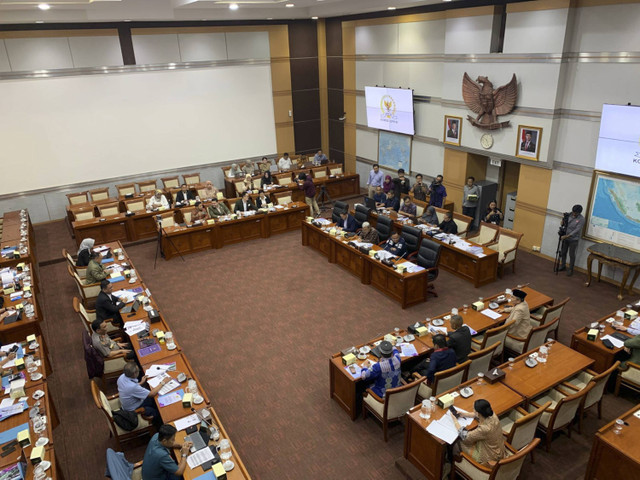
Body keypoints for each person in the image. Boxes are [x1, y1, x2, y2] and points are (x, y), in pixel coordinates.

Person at [451, 399, 506, 465]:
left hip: (488, 456)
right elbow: (478, 415)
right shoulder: (492, 415)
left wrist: (455, 421)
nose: (473, 411)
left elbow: (466, 437)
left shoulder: (484, 429)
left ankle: (455, 463)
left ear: (478, 413)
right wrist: (466, 414)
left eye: (474, 409)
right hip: (497, 448)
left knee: (456, 442)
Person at [117, 362, 167, 426]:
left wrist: (140, 383)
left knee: (154, 400)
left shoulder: (121, 377)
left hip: (128, 403)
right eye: (138, 371)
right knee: (157, 410)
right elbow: (151, 394)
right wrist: (163, 382)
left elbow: (128, 387)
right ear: (134, 373)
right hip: (133, 409)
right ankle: (159, 423)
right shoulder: (133, 387)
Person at [559, 204, 585, 277]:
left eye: (575, 213)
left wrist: (567, 236)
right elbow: (564, 223)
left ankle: (570, 269)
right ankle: (562, 265)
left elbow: (577, 230)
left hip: (573, 239)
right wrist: (562, 221)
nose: (573, 214)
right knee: (563, 252)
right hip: (565, 237)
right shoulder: (569, 215)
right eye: (573, 212)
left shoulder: (581, 219)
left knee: (571, 255)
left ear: (579, 213)